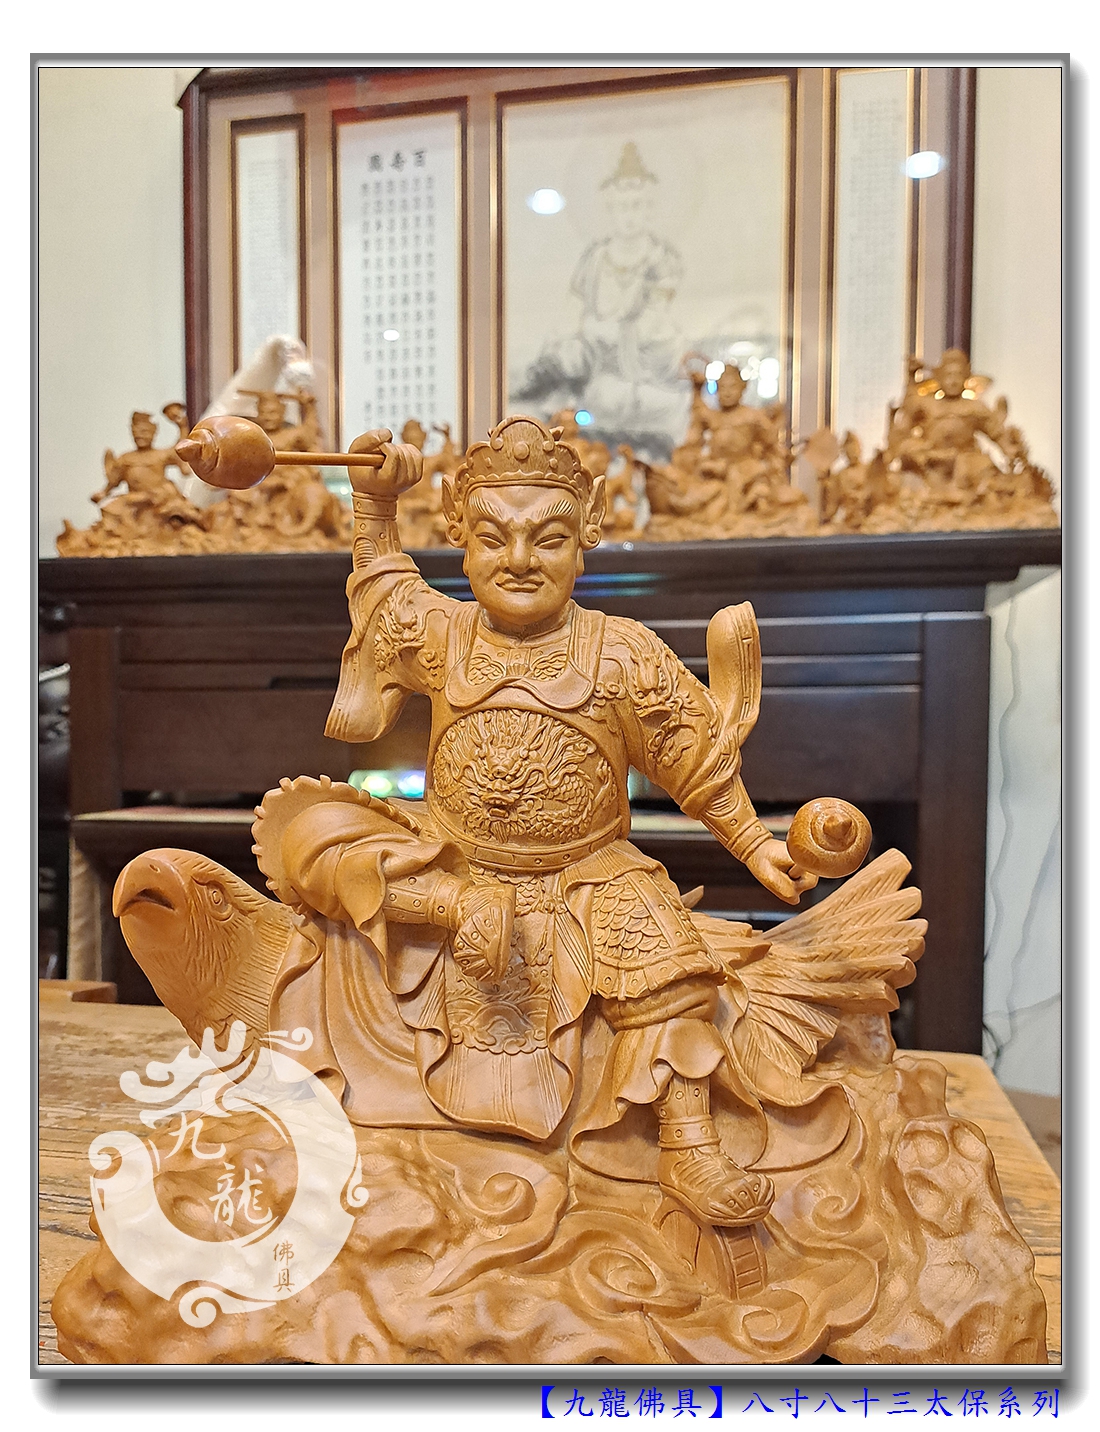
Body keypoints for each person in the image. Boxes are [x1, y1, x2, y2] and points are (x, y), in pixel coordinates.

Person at [259, 413, 818, 1230]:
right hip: (451, 864)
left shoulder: (621, 652)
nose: (519, 559)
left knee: (665, 957)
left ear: (586, 537)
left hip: (585, 874)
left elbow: (691, 758)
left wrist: (755, 844)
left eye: (547, 539)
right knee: (310, 829)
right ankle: (441, 909)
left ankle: (689, 1142)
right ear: (461, 538)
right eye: (493, 538)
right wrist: (374, 504)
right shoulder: (445, 632)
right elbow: (384, 590)